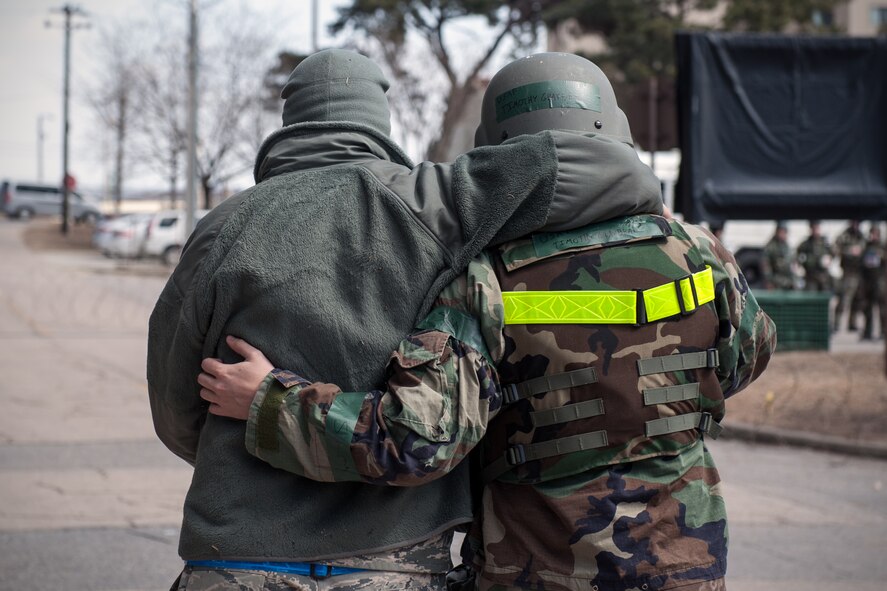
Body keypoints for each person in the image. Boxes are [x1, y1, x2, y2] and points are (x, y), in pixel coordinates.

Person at [198, 53, 776, 591]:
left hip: (541, 568)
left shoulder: (486, 280)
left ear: (502, 156)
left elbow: (417, 439)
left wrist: (269, 402)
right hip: (686, 560)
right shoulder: (700, 251)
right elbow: (749, 353)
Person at [834, 220, 866, 331]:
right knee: (844, 299)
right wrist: (850, 251)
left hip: (860, 273)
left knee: (858, 300)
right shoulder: (844, 236)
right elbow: (836, 249)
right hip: (848, 272)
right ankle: (836, 323)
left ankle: (852, 323)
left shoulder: (862, 236)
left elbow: (866, 249)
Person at [859, 223, 885, 341]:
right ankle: (867, 332)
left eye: (876, 233)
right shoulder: (866, 247)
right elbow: (859, 263)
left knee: (883, 309)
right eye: (872, 233)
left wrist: (882, 256)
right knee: (867, 308)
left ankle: (884, 332)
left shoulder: (883, 246)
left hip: (880, 282)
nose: (874, 236)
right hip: (867, 281)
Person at [796, 220, 833, 292]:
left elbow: (833, 252)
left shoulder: (825, 242)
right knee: (811, 298)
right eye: (813, 228)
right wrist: (803, 262)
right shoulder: (806, 243)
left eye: (817, 228)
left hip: (824, 277)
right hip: (810, 277)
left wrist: (829, 259)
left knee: (825, 296)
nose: (815, 230)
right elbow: (797, 256)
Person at [761, 221, 796, 290]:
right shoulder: (771, 246)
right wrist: (769, 281)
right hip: (776, 280)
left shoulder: (786, 246)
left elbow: (792, 262)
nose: (782, 234)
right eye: (781, 232)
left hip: (788, 280)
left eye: (784, 232)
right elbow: (765, 265)